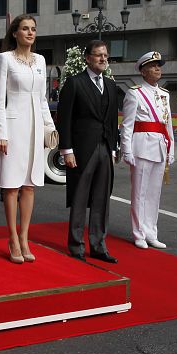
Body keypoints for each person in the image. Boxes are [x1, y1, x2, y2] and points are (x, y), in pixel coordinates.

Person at [0, 15, 55, 263]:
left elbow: (42, 99)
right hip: (13, 126)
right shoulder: (5, 59)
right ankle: (12, 238)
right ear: (15, 33)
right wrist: (1, 133)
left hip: (35, 127)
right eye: (25, 29)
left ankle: (25, 237)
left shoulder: (40, 60)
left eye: (33, 29)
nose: (30, 33)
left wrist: (49, 127)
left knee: (29, 185)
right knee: (11, 186)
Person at [55, 40, 119, 263]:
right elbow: (64, 119)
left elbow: (112, 121)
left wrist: (113, 148)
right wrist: (66, 150)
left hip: (105, 147)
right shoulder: (74, 83)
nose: (103, 59)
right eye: (98, 55)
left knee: (102, 198)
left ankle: (99, 245)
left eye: (106, 55)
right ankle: (76, 246)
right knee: (80, 198)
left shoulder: (111, 85)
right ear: (87, 58)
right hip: (81, 149)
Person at [120, 51, 175, 250]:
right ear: (143, 71)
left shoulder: (164, 95)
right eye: (153, 65)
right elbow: (127, 125)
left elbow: (167, 125)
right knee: (139, 193)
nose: (158, 68)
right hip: (141, 147)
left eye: (159, 65)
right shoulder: (134, 93)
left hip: (160, 146)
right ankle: (139, 233)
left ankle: (152, 233)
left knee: (154, 194)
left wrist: (171, 149)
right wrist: (126, 150)